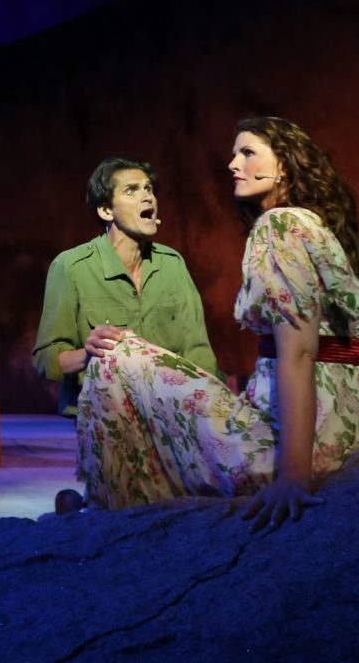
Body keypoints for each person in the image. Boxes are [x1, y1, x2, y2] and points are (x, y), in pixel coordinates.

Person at [70, 118, 359, 527]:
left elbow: (300, 352)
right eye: (235, 154)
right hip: (357, 441)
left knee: (117, 352)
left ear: (285, 165)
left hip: (285, 451)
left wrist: (294, 478)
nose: (233, 164)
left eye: (248, 152)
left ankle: (112, 516)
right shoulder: (321, 229)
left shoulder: (278, 227)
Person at [32, 157, 219, 485]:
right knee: (129, 500)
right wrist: (89, 354)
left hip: (172, 416)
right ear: (107, 210)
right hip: (107, 419)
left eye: (149, 189)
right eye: (132, 190)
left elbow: (198, 352)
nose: (148, 196)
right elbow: (45, 359)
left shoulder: (172, 264)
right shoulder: (71, 267)